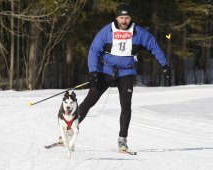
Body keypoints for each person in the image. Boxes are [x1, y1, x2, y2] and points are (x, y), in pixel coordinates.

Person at [59, 3, 171, 152]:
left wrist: (165, 66)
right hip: (105, 70)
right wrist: (93, 72)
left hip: (126, 73)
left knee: (126, 106)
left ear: (130, 18)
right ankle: (67, 131)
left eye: (127, 17)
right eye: (121, 17)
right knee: (89, 101)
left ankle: (122, 140)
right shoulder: (107, 31)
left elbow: (154, 47)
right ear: (117, 17)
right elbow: (93, 50)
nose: (124, 21)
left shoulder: (139, 33)